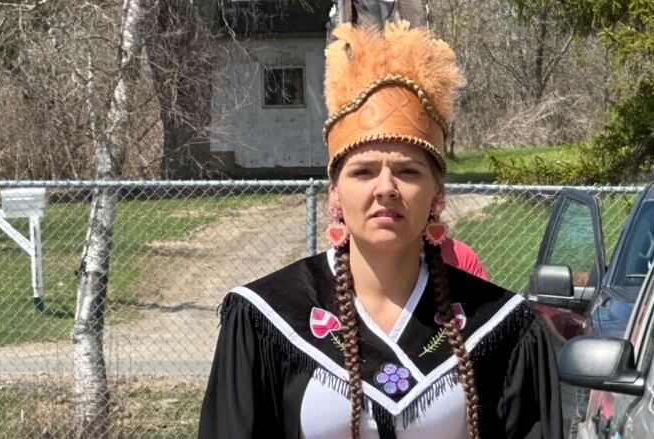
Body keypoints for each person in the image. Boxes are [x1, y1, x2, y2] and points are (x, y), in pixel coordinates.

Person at [199, 4, 562, 438]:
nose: (385, 188)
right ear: (335, 193)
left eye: (408, 172)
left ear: (437, 194)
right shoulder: (269, 318)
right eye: (363, 171)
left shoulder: (498, 324)